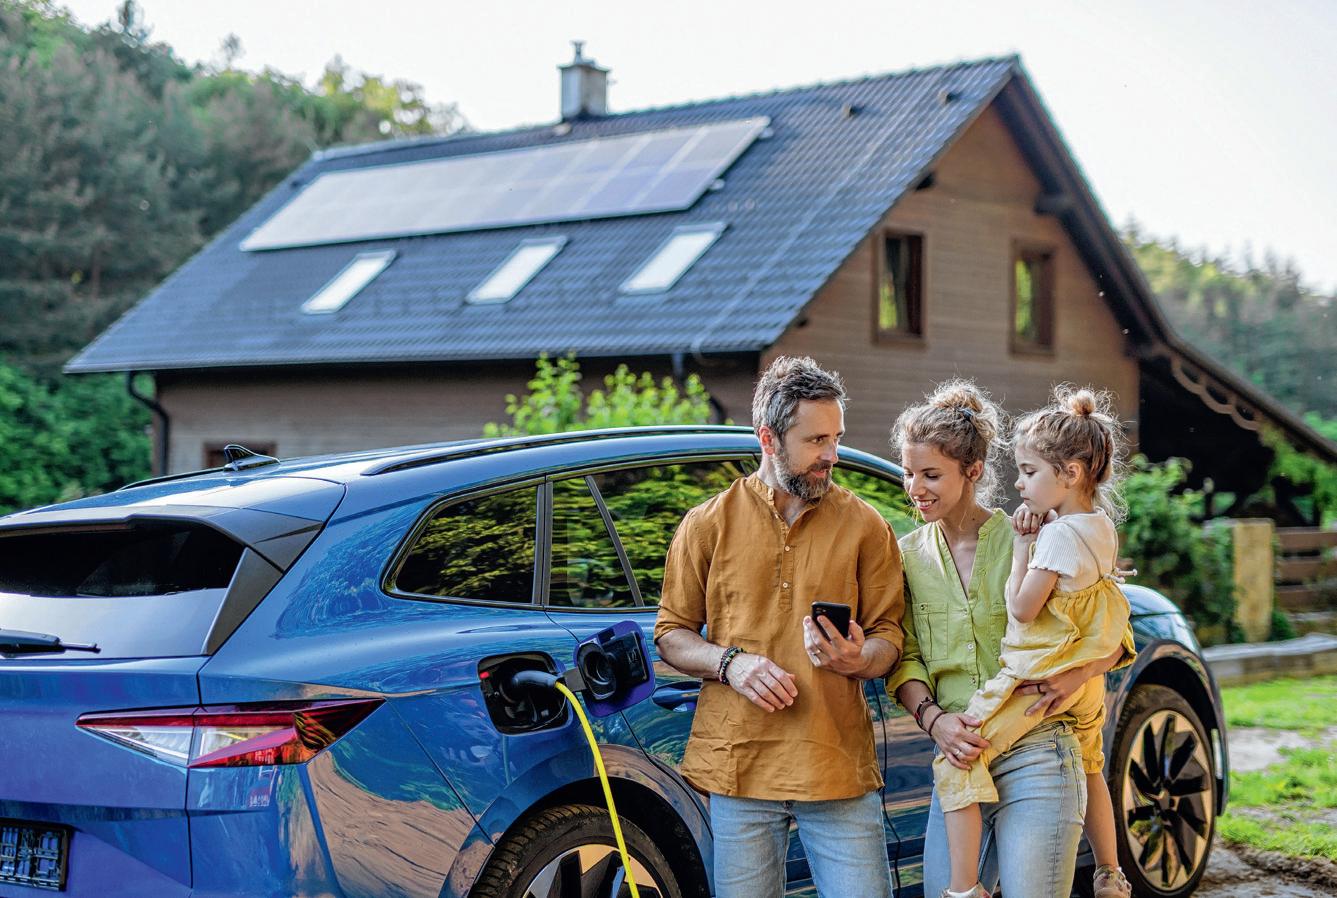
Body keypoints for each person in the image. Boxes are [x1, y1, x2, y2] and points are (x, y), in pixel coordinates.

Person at [654, 356, 904, 898]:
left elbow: (889, 637)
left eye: (836, 438)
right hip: (738, 767)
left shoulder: (867, 527)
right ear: (768, 438)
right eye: (816, 441)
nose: (831, 455)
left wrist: (859, 658)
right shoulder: (707, 524)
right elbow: (672, 633)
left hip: (835, 765)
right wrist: (730, 664)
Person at [887, 380, 1135, 898]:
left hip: (1039, 748)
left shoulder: (1037, 533)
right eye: (909, 473)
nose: (915, 488)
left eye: (930, 475)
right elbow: (905, 658)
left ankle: (1109, 872)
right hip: (961, 754)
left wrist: (1076, 675)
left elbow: (1109, 630)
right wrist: (935, 721)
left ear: (973, 471)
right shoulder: (906, 556)